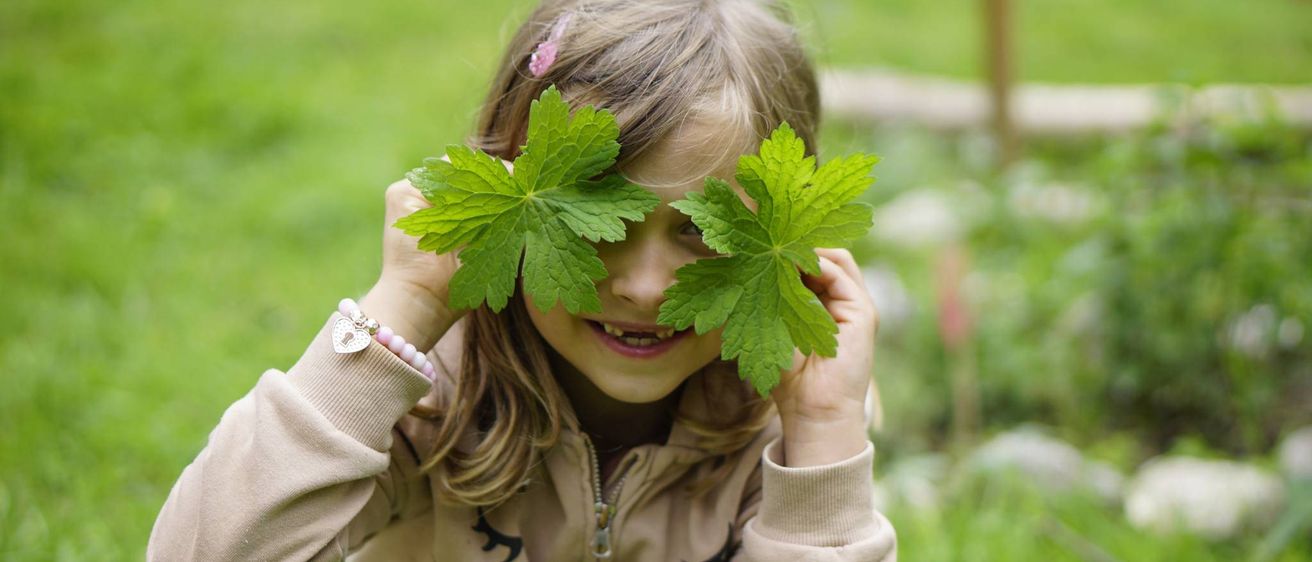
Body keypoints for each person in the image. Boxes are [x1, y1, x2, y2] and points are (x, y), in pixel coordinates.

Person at [148, 0, 897, 560]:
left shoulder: (779, 420)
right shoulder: (428, 400)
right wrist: (404, 309)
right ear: (511, 199)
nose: (642, 286)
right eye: (592, 220)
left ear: (786, 236)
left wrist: (826, 430)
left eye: (703, 232)